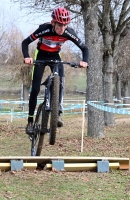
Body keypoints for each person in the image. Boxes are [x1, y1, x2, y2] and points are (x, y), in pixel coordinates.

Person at [21, 7, 89, 135]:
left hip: (55, 57)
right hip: (40, 56)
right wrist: (26, 57)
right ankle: (30, 121)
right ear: (53, 23)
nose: (62, 29)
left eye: (64, 25)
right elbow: (25, 42)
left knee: (61, 82)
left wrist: (84, 61)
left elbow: (84, 48)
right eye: (59, 25)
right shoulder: (44, 29)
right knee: (35, 89)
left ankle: (57, 114)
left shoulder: (68, 32)